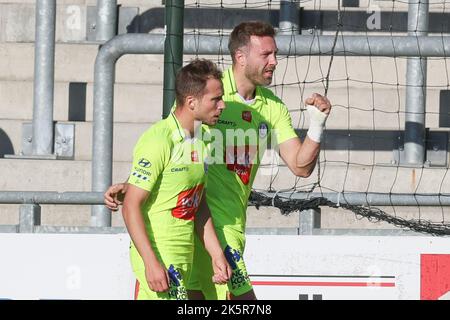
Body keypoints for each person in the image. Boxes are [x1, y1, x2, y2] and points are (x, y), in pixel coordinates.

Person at [106, 21, 331, 300]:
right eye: (266, 55)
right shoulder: (207, 91)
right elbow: (170, 144)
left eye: (275, 54)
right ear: (241, 57)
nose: (274, 61)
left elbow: (301, 166)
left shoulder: (271, 107)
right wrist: (134, 185)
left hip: (218, 225)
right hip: (193, 228)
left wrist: (316, 125)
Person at [121, 58, 231, 300]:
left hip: (182, 257)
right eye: (215, 99)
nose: (222, 105)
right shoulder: (159, 139)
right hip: (159, 258)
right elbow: (130, 205)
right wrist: (151, 262)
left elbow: (197, 203)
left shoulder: (204, 139)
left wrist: (216, 254)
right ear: (191, 102)